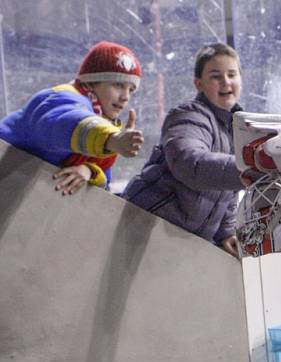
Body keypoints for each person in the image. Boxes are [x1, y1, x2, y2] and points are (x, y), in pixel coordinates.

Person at [122, 43, 244, 257]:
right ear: (199, 84)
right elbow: (190, 164)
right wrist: (251, 169)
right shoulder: (189, 116)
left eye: (232, 74)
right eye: (216, 76)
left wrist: (226, 233)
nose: (226, 82)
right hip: (146, 224)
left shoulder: (235, 128)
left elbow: (228, 192)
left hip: (179, 239)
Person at [0, 41, 144, 195]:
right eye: (118, 85)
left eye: (131, 90)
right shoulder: (62, 98)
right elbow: (65, 124)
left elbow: (104, 176)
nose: (125, 97)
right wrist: (112, 139)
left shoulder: (101, 129)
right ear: (92, 82)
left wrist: (89, 170)